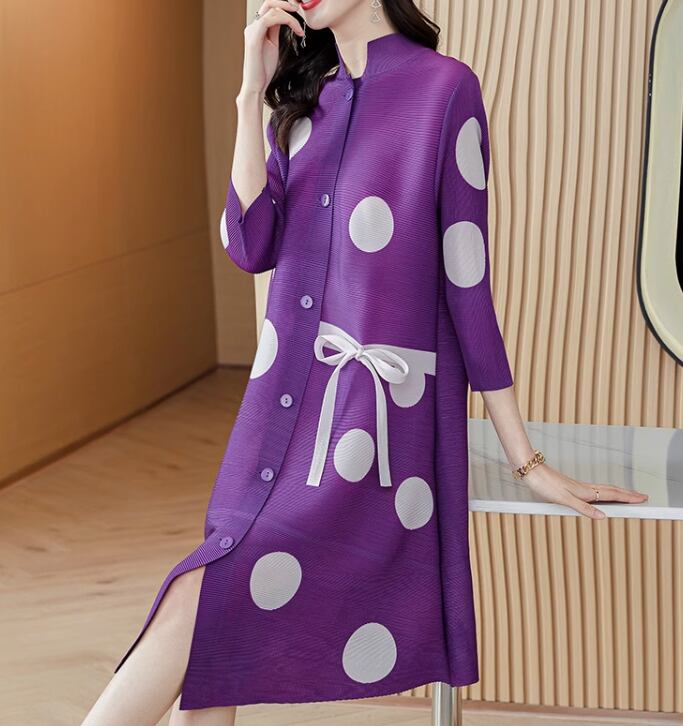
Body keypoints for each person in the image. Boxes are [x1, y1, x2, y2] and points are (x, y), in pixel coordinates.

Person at [82, 1, 649, 723]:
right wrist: (251, 97)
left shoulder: (445, 89)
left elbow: (467, 282)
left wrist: (527, 460)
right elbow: (249, 244)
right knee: (217, 631)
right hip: (276, 406)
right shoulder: (304, 102)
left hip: (373, 428)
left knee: (210, 594)